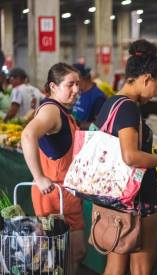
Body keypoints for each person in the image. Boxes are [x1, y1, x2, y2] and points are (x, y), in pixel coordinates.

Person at [94, 39, 157, 275]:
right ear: (146, 78)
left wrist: (154, 153)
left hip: (115, 200)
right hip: (139, 201)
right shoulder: (128, 108)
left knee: (114, 267)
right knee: (141, 269)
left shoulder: (111, 103)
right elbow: (131, 157)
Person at [20, 63, 86, 274]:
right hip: (52, 195)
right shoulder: (51, 110)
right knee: (56, 259)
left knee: (76, 253)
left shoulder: (64, 113)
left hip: (68, 194)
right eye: (70, 84)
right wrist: (38, 177)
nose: (76, 89)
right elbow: (28, 135)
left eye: (77, 84)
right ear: (53, 86)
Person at [72, 63, 106, 129]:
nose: (73, 84)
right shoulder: (79, 92)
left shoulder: (98, 97)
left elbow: (101, 124)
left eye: (74, 81)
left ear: (81, 78)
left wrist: (78, 125)